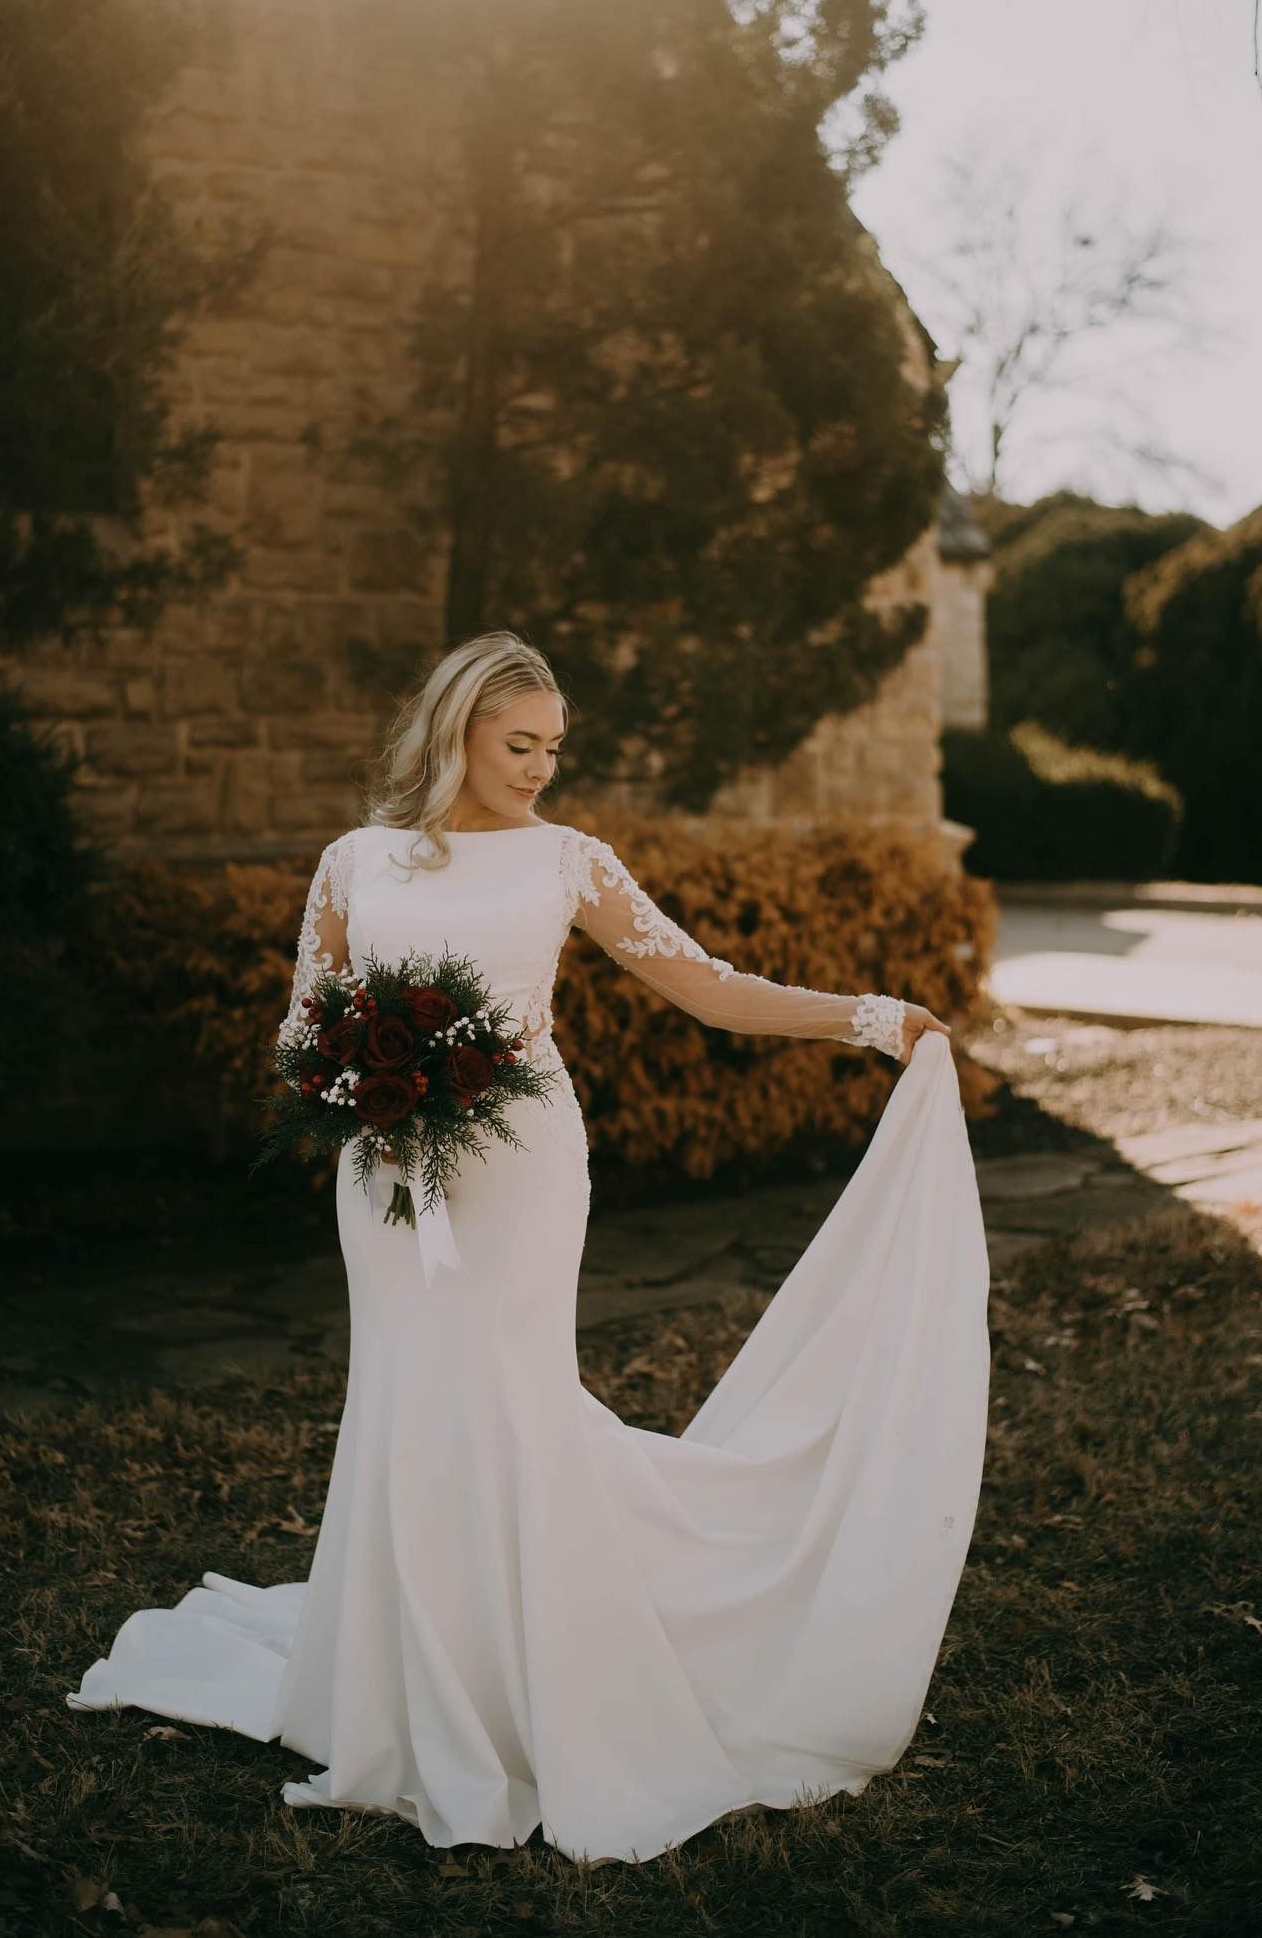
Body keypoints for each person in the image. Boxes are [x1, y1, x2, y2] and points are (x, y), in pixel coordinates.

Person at [66, 630, 990, 1867]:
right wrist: (363, 1074)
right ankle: (409, 1670)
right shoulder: (354, 861)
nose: (542, 767)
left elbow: (706, 985)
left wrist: (869, 1019)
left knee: (508, 1394)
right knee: (408, 1394)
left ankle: (527, 1673)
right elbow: (299, 1033)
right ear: (457, 729)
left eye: (554, 747)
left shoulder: (570, 859)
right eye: (521, 743)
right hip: (386, 1171)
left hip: (523, 1170)